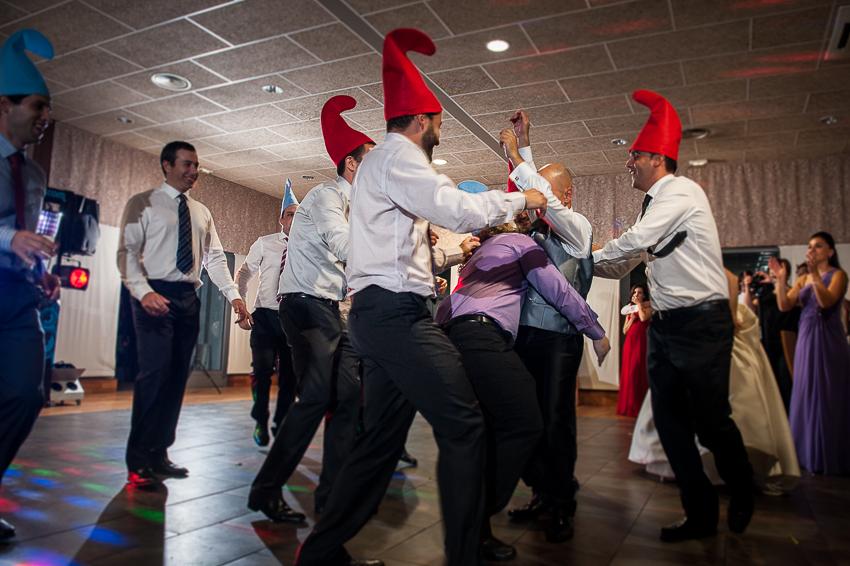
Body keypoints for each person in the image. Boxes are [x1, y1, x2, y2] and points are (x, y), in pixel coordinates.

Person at [294, 28, 547, 566]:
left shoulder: (384, 165)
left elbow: (421, 228)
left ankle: (318, 553)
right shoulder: (400, 156)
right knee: (465, 424)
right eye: (439, 120)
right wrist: (518, 197)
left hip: (380, 316)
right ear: (423, 120)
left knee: (381, 442)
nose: (441, 129)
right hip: (396, 319)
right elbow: (453, 207)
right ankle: (464, 555)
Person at [593, 90, 754, 542]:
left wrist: (588, 258)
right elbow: (622, 261)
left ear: (657, 158)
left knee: (711, 420)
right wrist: (578, 265)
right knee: (669, 423)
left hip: (702, 324)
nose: (628, 164)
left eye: (634, 156)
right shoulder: (654, 204)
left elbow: (634, 241)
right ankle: (700, 513)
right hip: (666, 325)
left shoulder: (682, 192)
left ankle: (742, 486)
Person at [435, 209, 609, 561]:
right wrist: (596, 331)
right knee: (525, 424)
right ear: (511, 224)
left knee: (481, 436)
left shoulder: (476, 256)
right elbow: (558, 288)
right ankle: (478, 511)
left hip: (456, 342)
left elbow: (446, 309)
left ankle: (475, 535)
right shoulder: (517, 243)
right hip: (484, 339)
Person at [248, 95, 374, 523]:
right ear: (352, 165)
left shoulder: (359, 207)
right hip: (303, 306)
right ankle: (266, 490)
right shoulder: (325, 197)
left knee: (350, 396)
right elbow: (343, 247)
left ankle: (331, 500)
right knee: (318, 395)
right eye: (371, 161)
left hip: (330, 308)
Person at [117, 141, 250, 488]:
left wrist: (234, 296)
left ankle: (160, 454)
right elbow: (127, 253)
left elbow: (216, 260)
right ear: (166, 165)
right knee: (155, 374)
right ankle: (139, 458)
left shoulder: (202, 212)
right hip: (153, 293)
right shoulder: (142, 203)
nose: (193, 172)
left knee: (177, 378)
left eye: (196, 166)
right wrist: (144, 292)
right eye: (187, 165)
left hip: (188, 298)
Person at [499, 110, 594, 542]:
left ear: (566, 196)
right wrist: (526, 140)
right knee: (528, 419)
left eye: (548, 196)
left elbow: (545, 201)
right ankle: (541, 491)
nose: (537, 202)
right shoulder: (536, 234)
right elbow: (538, 198)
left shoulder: (579, 230)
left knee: (557, 422)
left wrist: (517, 153)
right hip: (525, 337)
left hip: (559, 341)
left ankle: (562, 501)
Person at [630, 270, 800, 494]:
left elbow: (730, 279)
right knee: (677, 408)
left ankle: (732, 475)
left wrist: (727, 319)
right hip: (685, 330)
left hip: (714, 324)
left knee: (719, 407)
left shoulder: (703, 258)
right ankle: (694, 471)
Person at [0, 28, 60, 542]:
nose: (45, 116)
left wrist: (47, 272)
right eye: (38, 106)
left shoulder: (36, 177)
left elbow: (34, 239)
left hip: (19, 300)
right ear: (6, 105)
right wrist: (8, 237)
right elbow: (14, 234)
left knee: (26, 393)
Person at [770, 232, 850, 474]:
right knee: (805, 389)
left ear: (830, 252)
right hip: (806, 338)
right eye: (810, 246)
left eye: (818, 246)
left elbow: (826, 302)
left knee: (829, 393)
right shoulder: (803, 279)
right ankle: (806, 454)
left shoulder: (839, 275)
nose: (812, 250)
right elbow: (784, 305)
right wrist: (781, 280)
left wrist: (814, 274)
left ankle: (831, 454)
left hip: (828, 339)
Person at [235, 187, 298, 446]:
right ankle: (260, 419)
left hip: (293, 318)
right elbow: (245, 273)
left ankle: (281, 422)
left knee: (291, 376)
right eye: (290, 214)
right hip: (264, 316)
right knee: (261, 370)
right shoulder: (265, 243)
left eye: (299, 215)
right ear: (282, 219)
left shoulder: (310, 247)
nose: (295, 219)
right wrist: (241, 307)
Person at [617, 283, 651, 417]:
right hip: (630, 344)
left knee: (638, 371)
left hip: (641, 343)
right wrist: (631, 319)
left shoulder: (648, 307)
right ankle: (628, 406)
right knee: (629, 373)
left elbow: (643, 318)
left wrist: (639, 306)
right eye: (635, 293)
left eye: (640, 293)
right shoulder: (630, 310)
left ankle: (639, 407)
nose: (636, 295)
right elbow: (625, 330)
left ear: (644, 295)